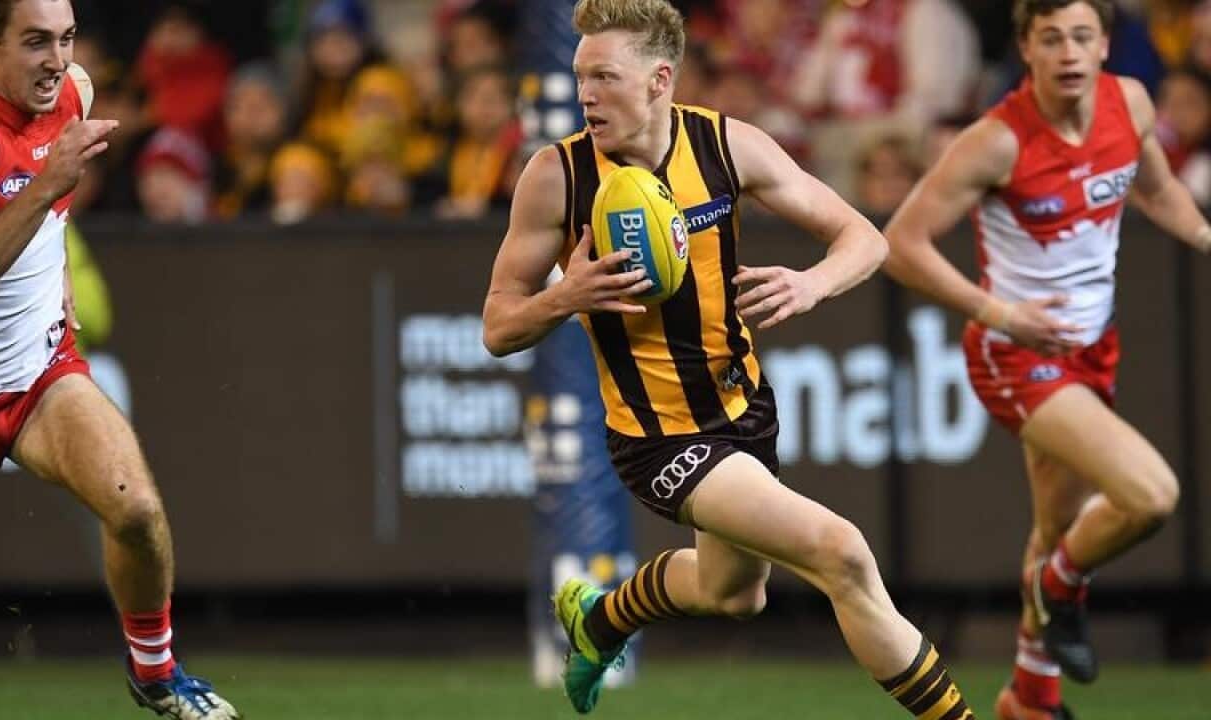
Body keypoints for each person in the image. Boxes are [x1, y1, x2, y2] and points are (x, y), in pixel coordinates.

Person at [482, 1, 977, 717]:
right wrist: (567, 297)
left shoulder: (727, 145)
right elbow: (498, 327)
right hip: (658, 438)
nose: (585, 94)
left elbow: (864, 239)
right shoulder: (556, 177)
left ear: (659, 79)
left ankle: (600, 619)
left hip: (744, 409)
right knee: (842, 553)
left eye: (604, 77)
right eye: (579, 75)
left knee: (734, 595)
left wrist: (811, 283)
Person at [883, 2, 1211, 719]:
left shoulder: (1130, 102)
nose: (1069, 52)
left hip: (1095, 346)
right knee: (1150, 495)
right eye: (1051, 38)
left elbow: (1156, 189)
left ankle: (1031, 698)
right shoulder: (995, 141)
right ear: (1026, 48)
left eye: (1082, 36)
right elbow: (901, 243)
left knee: (1057, 529)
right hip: (1016, 354)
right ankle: (1058, 590)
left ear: (1104, 46)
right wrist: (1001, 315)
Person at [0, 2, 240, 717]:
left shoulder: (75, 93)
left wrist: (57, 266)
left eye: (66, 39)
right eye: (36, 42)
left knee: (138, 514)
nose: (58, 60)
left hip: (41, 375)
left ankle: (156, 675)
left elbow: (50, 214)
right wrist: (49, 184)